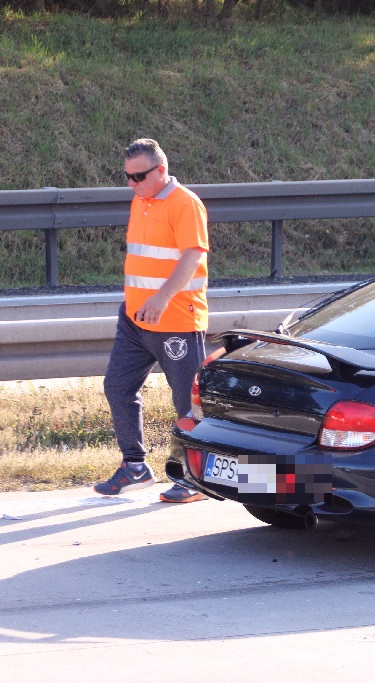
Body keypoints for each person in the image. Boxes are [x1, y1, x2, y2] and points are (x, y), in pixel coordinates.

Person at [93, 139, 209, 503]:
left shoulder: (185, 203)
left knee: (187, 403)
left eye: (139, 175)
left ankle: (195, 478)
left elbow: (192, 256)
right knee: (117, 387)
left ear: (161, 170)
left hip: (175, 319)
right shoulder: (140, 199)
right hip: (134, 320)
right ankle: (135, 467)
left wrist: (161, 298)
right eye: (127, 176)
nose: (132, 183)